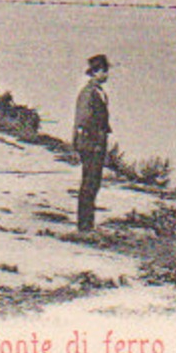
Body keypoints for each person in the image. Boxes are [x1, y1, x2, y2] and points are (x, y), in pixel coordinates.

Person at [72, 53, 111, 232]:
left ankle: (87, 224)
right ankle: (84, 225)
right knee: (89, 183)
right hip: (91, 143)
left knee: (93, 183)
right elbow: (83, 119)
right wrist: (91, 141)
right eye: (104, 71)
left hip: (96, 142)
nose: (107, 75)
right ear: (96, 72)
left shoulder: (97, 91)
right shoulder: (88, 93)